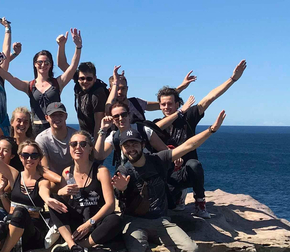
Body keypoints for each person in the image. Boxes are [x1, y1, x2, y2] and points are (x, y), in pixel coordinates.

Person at [111, 112, 227, 252]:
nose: (131, 148)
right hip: (134, 221)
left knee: (192, 251)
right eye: (126, 145)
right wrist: (122, 190)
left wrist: (211, 130)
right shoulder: (123, 172)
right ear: (122, 149)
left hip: (161, 220)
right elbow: (118, 196)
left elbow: (188, 145)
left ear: (143, 144)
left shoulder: (158, 159)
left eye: (134, 143)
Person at [155, 60, 247, 217]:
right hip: (167, 177)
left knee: (195, 165)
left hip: (186, 171)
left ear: (178, 104)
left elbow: (210, 97)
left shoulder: (188, 117)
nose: (166, 107)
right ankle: (178, 195)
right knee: (168, 207)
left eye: (170, 103)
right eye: (163, 104)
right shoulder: (157, 125)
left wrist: (233, 79)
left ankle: (199, 203)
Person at [45, 130, 124, 252]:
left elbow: (110, 204)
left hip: (95, 223)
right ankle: (73, 247)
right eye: (74, 144)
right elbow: (67, 202)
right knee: (53, 200)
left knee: (115, 220)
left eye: (83, 144)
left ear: (90, 148)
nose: (78, 147)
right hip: (77, 223)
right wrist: (61, 193)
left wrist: (90, 224)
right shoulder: (67, 172)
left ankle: (80, 245)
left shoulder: (100, 171)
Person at [0, 29, 83, 135]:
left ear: (50, 65)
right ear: (35, 64)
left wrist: (78, 47)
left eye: (46, 62)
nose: (43, 65)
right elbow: (10, 77)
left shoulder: (58, 83)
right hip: (35, 129)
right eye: (40, 62)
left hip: (55, 128)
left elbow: (72, 67)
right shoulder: (29, 86)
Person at [105, 66, 198, 125]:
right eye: (117, 88)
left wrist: (182, 86)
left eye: (123, 88)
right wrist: (115, 83)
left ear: (127, 88)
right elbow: (108, 106)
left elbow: (163, 104)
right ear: (111, 90)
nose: (120, 92)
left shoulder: (136, 103)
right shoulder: (110, 110)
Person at [94, 100, 168, 167]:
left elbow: (165, 152)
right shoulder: (114, 136)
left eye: (124, 115)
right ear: (112, 120)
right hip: (128, 177)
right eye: (116, 116)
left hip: (149, 173)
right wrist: (103, 129)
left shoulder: (144, 130)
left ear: (129, 115)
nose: (120, 118)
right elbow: (99, 156)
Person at [35, 102, 76, 175]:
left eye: (60, 115)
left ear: (66, 116)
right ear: (47, 118)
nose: (57, 118)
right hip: (53, 179)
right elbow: (45, 169)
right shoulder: (41, 139)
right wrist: (62, 181)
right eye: (53, 115)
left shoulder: (75, 136)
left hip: (75, 176)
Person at [72, 62, 109, 136]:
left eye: (89, 79)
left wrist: (96, 146)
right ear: (78, 79)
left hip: (96, 136)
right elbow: (61, 64)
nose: (85, 81)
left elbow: (98, 124)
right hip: (85, 134)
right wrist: (77, 50)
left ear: (94, 78)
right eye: (82, 78)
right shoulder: (79, 87)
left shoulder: (97, 95)